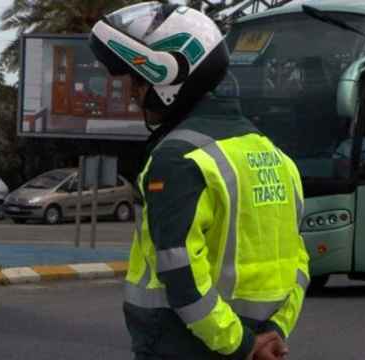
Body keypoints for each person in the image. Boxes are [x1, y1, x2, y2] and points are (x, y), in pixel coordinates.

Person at [89, 3, 309, 359]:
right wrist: (273, 331)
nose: (132, 94)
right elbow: (298, 261)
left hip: (187, 345)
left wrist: (240, 343)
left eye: (138, 81)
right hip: (260, 343)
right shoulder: (277, 157)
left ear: (171, 77)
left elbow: (180, 271)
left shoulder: (177, 159)